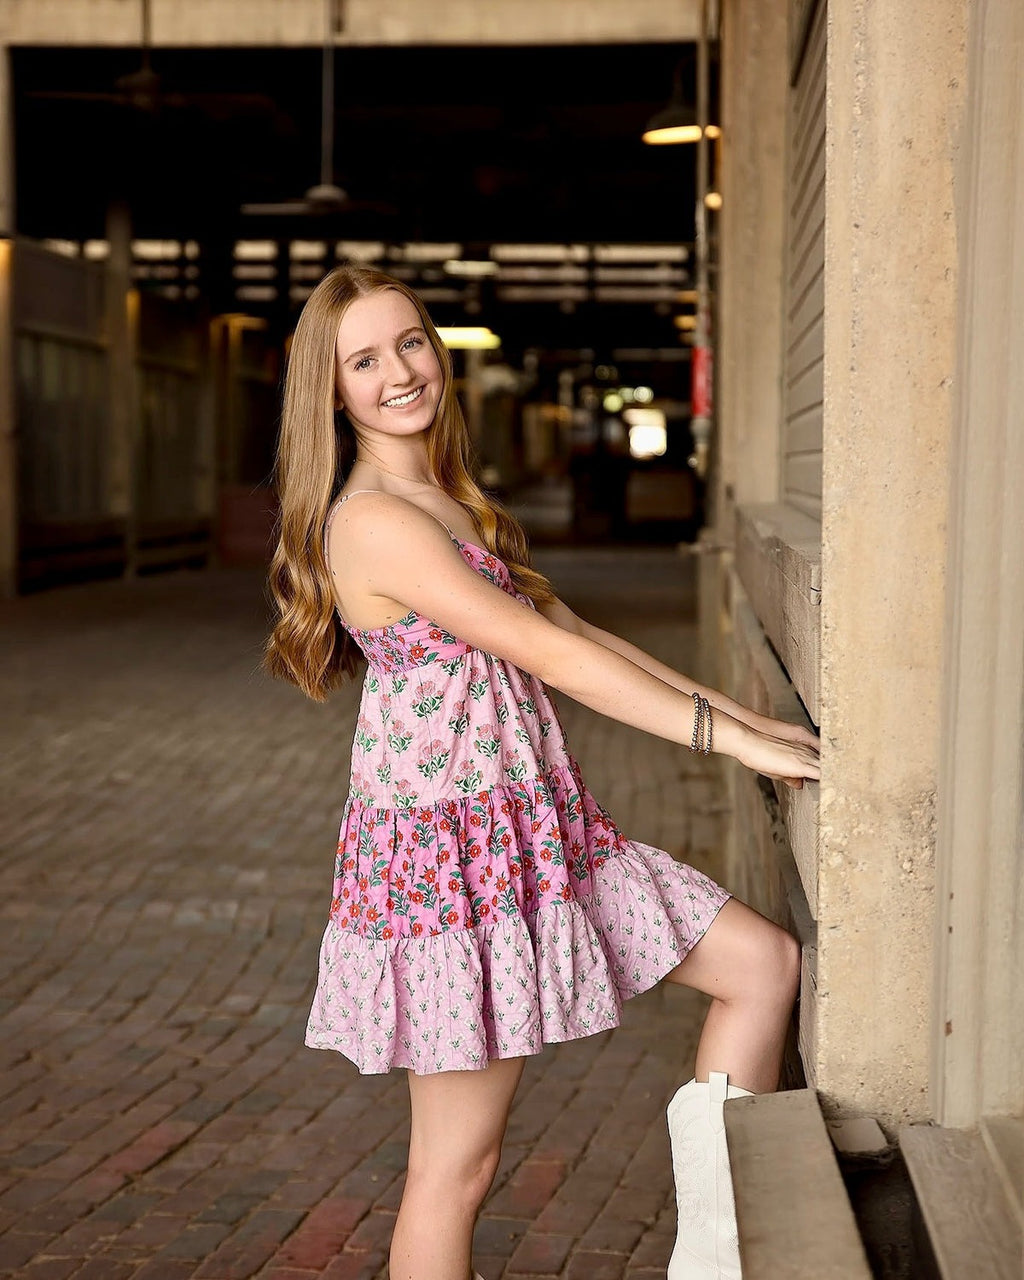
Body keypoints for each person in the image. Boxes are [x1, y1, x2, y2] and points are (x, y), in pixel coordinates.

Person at [263, 265, 820, 1280]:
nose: (399, 371)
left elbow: (573, 626)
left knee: (760, 965)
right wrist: (727, 742)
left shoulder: (443, 496)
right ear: (331, 391)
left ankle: (714, 1256)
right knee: (456, 1166)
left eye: (410, 342)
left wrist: (751, 723)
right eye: (364, 359)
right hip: (450, 870)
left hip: (543, 831)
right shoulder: (372, 519)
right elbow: (553, 658)